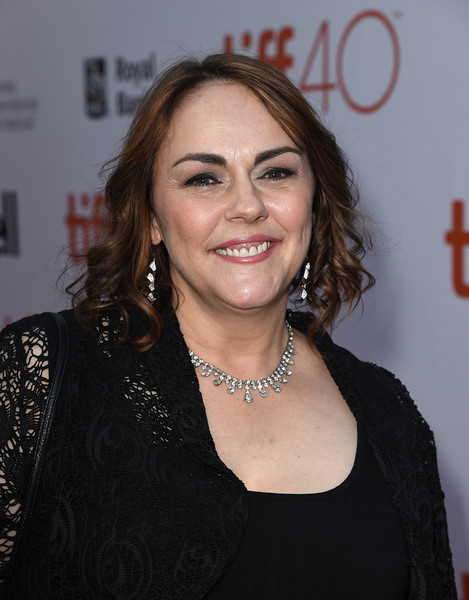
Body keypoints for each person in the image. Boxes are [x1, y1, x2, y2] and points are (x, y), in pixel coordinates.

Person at [0, 53, 456, 599]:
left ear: (314, 200)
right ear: (151, 217)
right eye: (204, 178)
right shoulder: (42, 377)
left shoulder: (388, 413)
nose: (248, 205)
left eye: (276, 172)